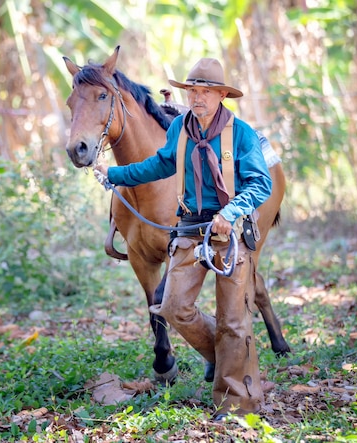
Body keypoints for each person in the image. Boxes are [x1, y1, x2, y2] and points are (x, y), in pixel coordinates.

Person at [94, 57, 272, 420]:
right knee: (173, 307)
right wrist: (113, 174)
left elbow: (261, 184)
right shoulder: (180, 129)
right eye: (192, 91)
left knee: (234, 321)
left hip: (228, 233)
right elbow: (158, 165)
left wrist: (230, 212)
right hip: (189, 230)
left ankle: (236, 403)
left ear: (222, 95)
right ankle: (223, 358)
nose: (197, 97)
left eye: (205, 91)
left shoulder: (241, 134)